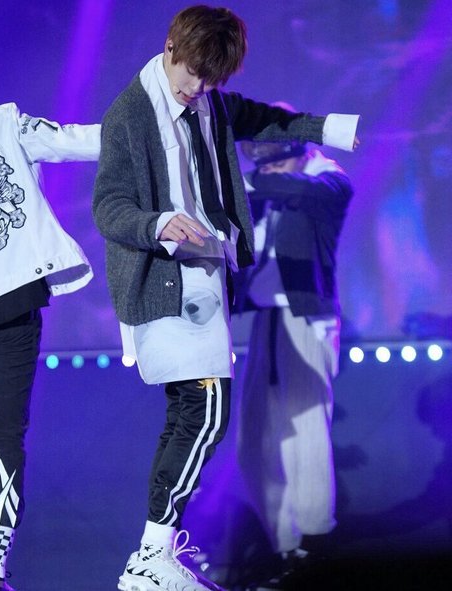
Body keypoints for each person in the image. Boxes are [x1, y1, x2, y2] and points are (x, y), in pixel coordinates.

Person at [92, 6, 359, 591]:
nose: (197, 90)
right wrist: (156, 223)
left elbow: (263, 120)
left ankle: (156, 555)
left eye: (209, 81)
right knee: (208, 414)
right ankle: (153, 553)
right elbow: (108, 206)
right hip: (168, 282)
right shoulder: (131, 113)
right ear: (169, 47)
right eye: (192, 75)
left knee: (203, 416)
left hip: (217, 289)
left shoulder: (213, 105)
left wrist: (330, 129)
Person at [0, 97, 100, 591]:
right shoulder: (2, 122)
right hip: (13, 302)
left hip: (12, 304)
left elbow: (79, 141)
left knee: (5, 439)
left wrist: (151, 119)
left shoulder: (2, 122)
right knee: (5, 439)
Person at [235, 111, 353, 586]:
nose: (266, 171)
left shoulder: (328, 179)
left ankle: (313, 544)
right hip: (267, 317)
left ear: (299, 152)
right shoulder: (268, 185)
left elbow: (303, 192)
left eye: (275, 162)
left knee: (305, 432)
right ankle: (283, 546)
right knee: (256, 439)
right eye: (261, 164)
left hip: (308, 317)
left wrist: (244, 183)